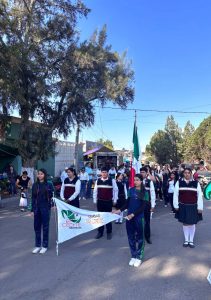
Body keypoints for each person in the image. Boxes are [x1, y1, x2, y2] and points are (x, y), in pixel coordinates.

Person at [113, 174, 146, 268]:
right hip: (129, 217)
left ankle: (139, 256)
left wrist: (133, 214)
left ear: (141, 181)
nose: (135, 182)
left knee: (140, 238)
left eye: (137, 180)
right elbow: (127, 204)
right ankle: (133, 255)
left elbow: (143, 206)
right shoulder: (131, 190)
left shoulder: (145, 192)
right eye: (134, 180)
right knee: (130, 237)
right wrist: (118, 211)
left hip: (139, 218)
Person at [173, 167, 203, 248]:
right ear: (183, 174)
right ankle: (186, 240)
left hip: (193, 206)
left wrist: (200, 207)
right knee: (185, 223)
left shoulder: (196, 183)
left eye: (188, 173)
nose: (187, 174)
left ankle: (191, 240)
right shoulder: (179, 183)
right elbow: (175, 195)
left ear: (191, 174)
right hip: (183, 206)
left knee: (192, 223)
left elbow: (199, 195)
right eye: (185, 172)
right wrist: (175, 205)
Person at [31, 169, 54, 254]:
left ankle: (44, 246)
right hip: (37, 208)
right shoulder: (35, 185)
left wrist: (52, 205)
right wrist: (32, 210)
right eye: (38, 174)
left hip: (45, 208)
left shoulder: (49, 184)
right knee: (37, 227)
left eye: (41, 174)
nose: (39, 175)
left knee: (45, 227)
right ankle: (37, 245)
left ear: (44, 174)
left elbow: (53, 196)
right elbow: (33, 198)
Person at [93, 167, 118, 240]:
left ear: (108, 173)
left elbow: (116, 190)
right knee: (100, 217)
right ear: (101, 173)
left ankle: (109, 232)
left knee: (108, 217)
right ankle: (100, 232)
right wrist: (95, 200)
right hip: (100, 201)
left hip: (108, 201)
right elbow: (95, 191)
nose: (104, 174)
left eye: (105, 172)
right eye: (103, 172)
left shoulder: (112, 180)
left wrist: (115, 199)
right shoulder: (98, 181)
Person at [140, 167, 156, 244]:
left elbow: (152, 194)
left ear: (147, 173)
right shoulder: (136, 181)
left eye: (143, 172)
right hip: (138, 205)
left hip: (147, 204)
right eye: (141, 172)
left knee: (147, 221)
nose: (142, 173)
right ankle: (139, 236)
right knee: (138, 221)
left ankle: (147, 237)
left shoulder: (149, 182)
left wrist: (153, 206)